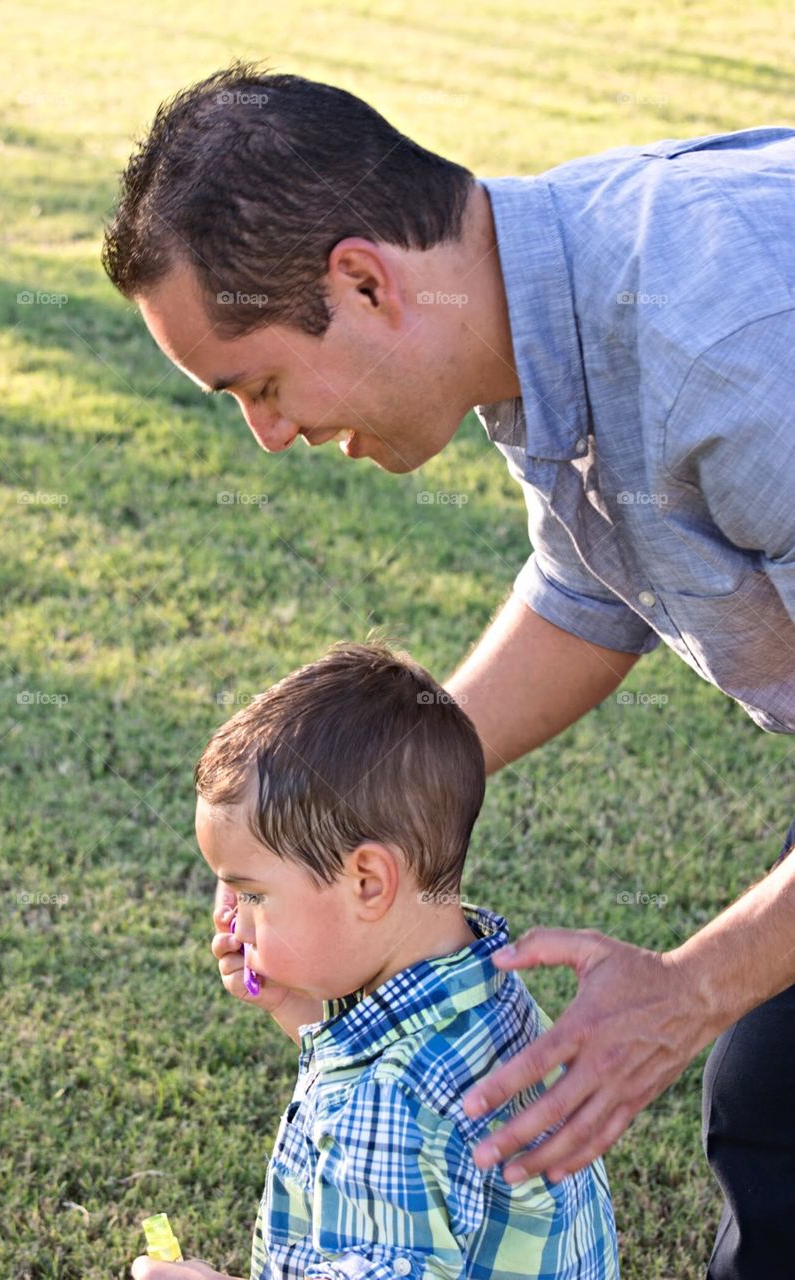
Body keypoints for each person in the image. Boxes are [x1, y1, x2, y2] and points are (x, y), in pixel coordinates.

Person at [103, 61, 795, 1278]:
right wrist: (338, 806)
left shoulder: (726, 352)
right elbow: (594, 589)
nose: (270, 437)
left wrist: (692, 984)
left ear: (364, 280)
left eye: (260, 384)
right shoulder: (550, 315)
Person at [132, 641, 619, 1280]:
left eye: (251, 893)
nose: (233, 918)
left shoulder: (385, 1103)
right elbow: (369, 1051)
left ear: (367, 882)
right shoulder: (485, 985)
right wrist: (290, 1002)